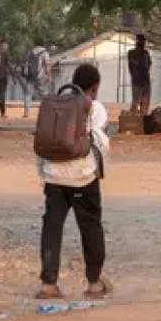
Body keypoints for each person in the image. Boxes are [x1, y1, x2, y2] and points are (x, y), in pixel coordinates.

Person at [36, 63, 112, 301]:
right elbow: (98, 138)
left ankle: (48, 284)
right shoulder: (94, 107)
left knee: (52, 227)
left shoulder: (55, 104)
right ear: (95, 87)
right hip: (82, 177)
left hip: (53, 176)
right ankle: (94, 282)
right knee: (90, 227)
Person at [127, 34, 152, 116]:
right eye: (141, 41)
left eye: (143, 41)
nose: (142, 43)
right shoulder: (132, 53)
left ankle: (142, 121)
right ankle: (132, 121)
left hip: (144, 81)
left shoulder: (145, 53)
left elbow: (148, 65)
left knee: (144, 103)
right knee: (136, 102)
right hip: (138, 81)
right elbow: (132, 67)